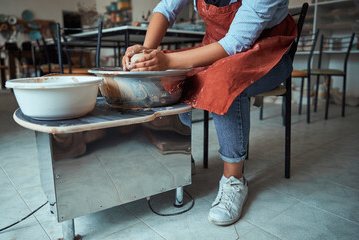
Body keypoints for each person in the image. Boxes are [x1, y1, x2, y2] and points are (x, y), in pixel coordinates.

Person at [122, 0, 297, 226]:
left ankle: (234, 179)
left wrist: (165, 60)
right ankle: (181, 155)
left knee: (224, 80)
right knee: (171, 75)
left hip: (271, 50)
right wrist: (147, 51)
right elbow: (166, 8)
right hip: (217, 46)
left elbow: (236, 43)